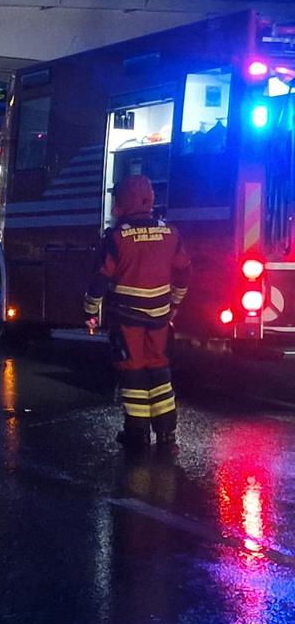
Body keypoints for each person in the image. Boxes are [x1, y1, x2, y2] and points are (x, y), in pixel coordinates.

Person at [84, 175, 191, 451]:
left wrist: (90, 311)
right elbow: (183, 272)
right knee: (159, 371)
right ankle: (167, 435)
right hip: (159, 318)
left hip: (128, 318)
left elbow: (100, 279)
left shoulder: (116, 237)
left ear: (122, 202)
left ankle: (137, 434)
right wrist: (174, 304)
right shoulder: (171, 233)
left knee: (133, 374)